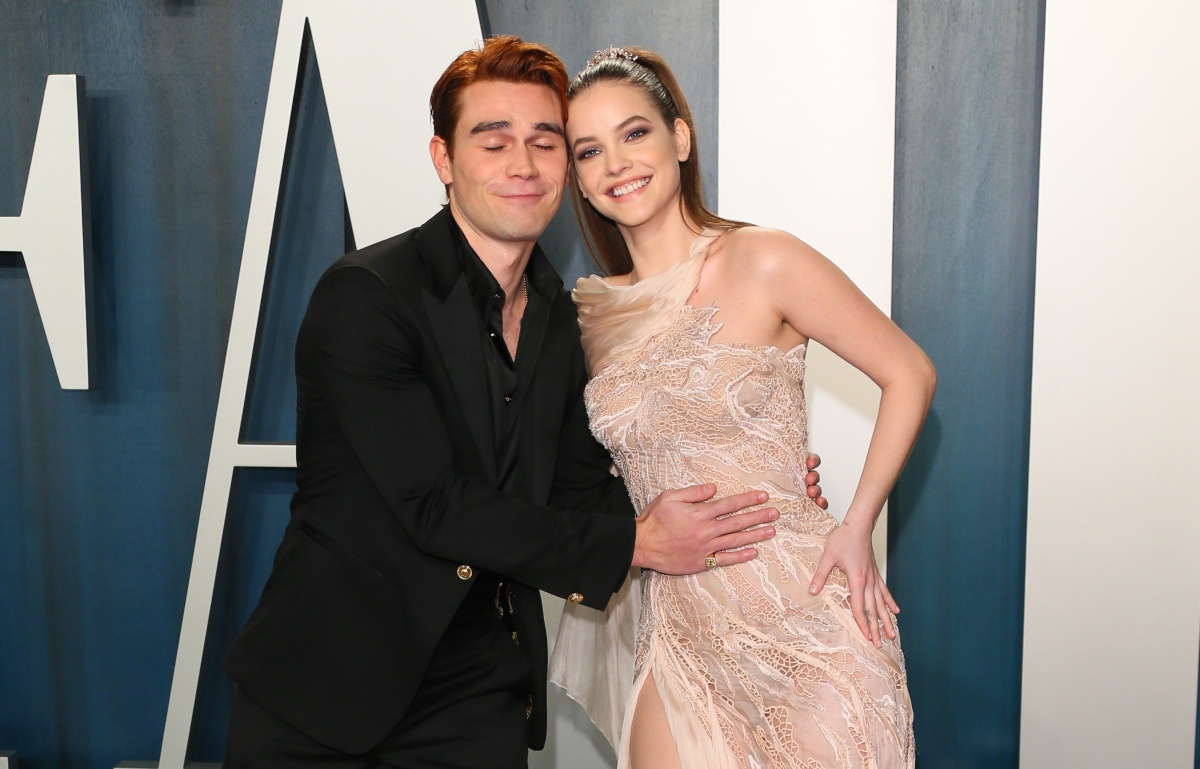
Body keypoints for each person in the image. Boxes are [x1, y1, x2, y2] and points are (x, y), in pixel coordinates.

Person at [220, 36, 824, 769]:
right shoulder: (368, 298)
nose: (523, 165)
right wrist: (638, 541)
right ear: (444, 160)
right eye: (493, 141)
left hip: (480, 694)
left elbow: (579, 483)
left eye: (545, 143)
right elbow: (434, 505)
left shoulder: (564, 321)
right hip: (329, 695)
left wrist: (738, 491)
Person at [550, 46, 936, 769]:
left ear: (680, 139)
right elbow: (590, 478)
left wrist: (857, 526)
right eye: (590, 150)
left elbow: (909, 370)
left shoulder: (763, 259)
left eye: (635, 133)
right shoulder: (591, 320)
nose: (617, 164)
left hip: (810, 629)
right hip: (680, 639)